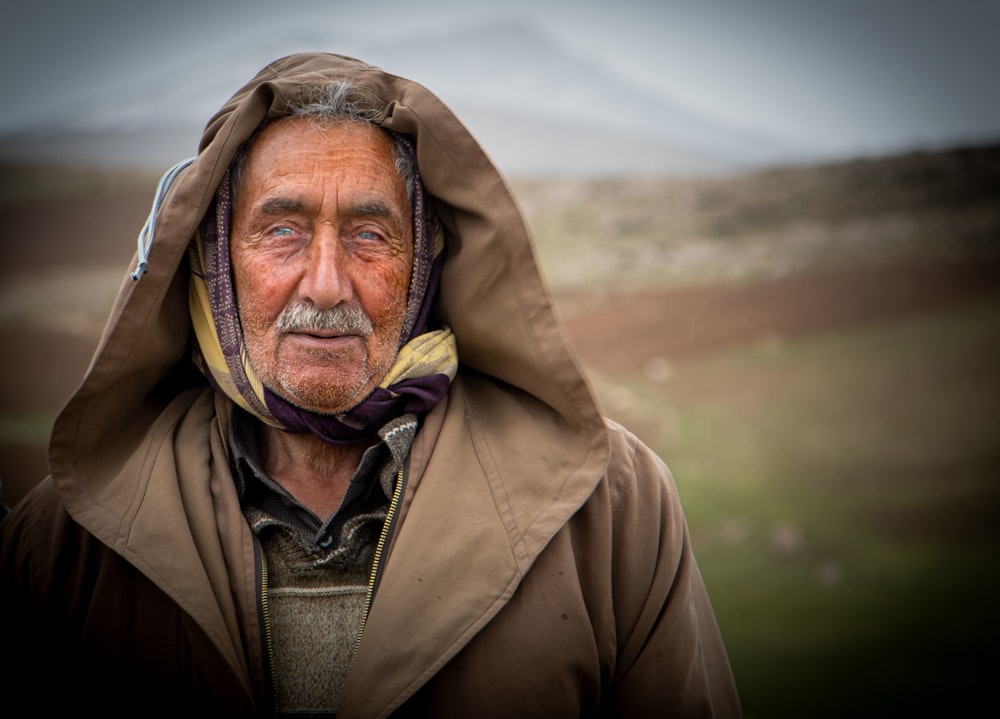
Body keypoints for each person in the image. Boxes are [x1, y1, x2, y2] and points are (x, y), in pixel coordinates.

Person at [0, 53, 740, 717]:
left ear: (424, 268)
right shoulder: (69, 540)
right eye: (282, 229)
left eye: (369, 234)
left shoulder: (609, 508)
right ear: (215, 262)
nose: (325, 286)